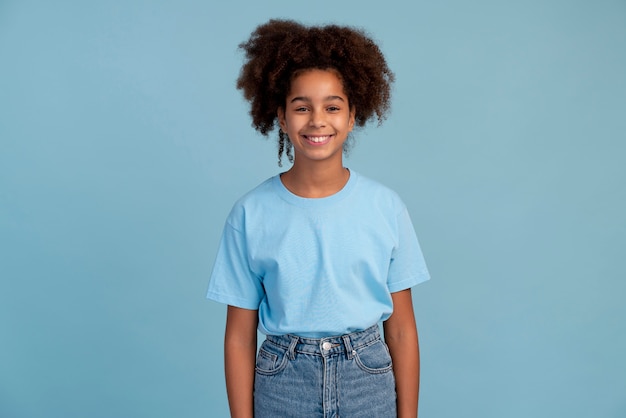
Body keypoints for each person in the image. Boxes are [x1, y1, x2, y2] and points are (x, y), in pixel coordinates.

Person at [207, 19, 430, 418]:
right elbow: (239, 337)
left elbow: (400, 329)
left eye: (332, 106)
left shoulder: (385, 207)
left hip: (368, 379)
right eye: (301, 107)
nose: (317, 121)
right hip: (282, 381)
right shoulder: (250, 213)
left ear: (352, 114)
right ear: (280, 116)